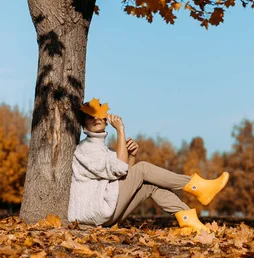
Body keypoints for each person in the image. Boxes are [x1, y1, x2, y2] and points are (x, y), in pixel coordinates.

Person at [67, 98, 229, 232]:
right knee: (143, 168)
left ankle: (190, 222)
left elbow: (123, 175)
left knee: (150, 186)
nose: (96, 119)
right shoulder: (85, 149)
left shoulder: (103, 150)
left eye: (100, 115)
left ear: (105, 120)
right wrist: (121, 130)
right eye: (90, 117)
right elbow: (121, 168)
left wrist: (131, 156)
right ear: (83, 125)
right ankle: (198, 187)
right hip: (96, 211)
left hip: (104, 213)